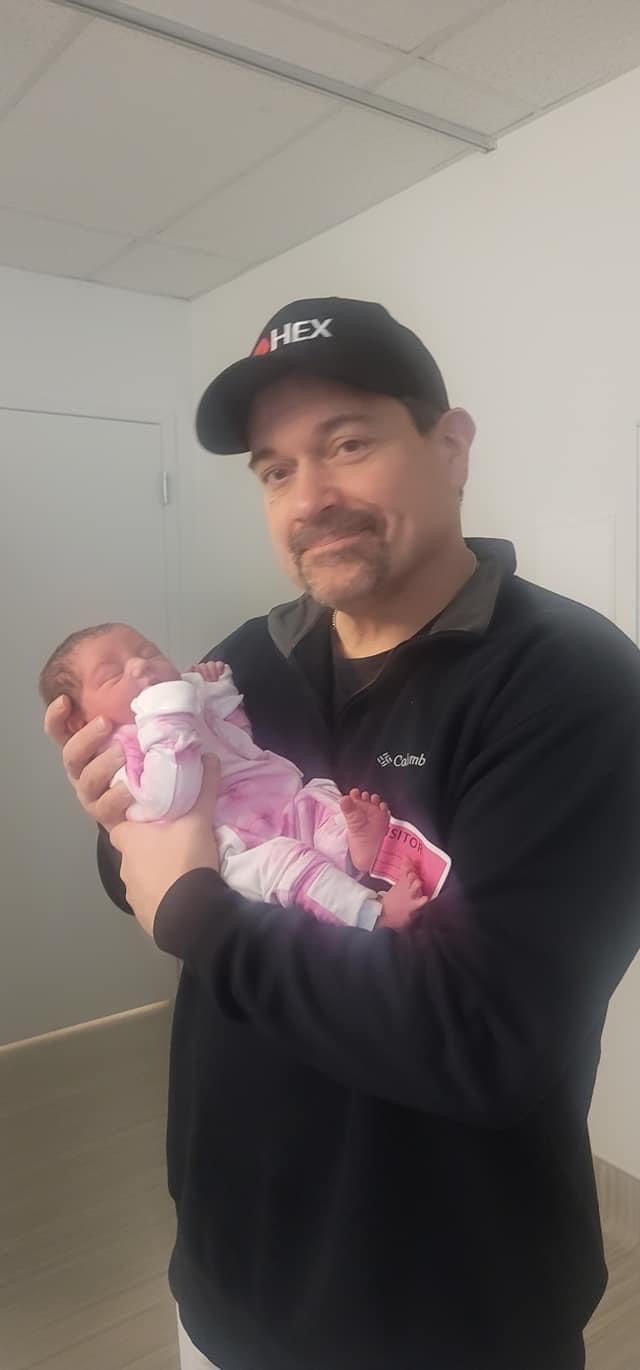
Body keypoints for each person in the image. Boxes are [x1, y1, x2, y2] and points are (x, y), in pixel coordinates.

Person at [44, 296, 640, 1370]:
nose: (309, 498)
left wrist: (189, 905)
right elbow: (151, 862)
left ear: (449, 447)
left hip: (442, 1310)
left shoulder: (573, 684)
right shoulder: (246, 660)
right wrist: (120, 827)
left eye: (348, 444)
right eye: (275, 469)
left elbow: (489, 1042)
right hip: (228, 1276)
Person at [39, 622, 430, 928]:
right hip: (238, 850)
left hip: (281, 805)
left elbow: (237, 738)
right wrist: (168, 716)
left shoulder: (188, 700)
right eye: (112, 675)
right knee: (288, 862)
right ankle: (373, 913)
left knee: (323, 797)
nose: (141, 665)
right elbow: (170, 797)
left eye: (148, 652)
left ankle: (352, 851)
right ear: (79, 720)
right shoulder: (123, 751)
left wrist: (218, 693)